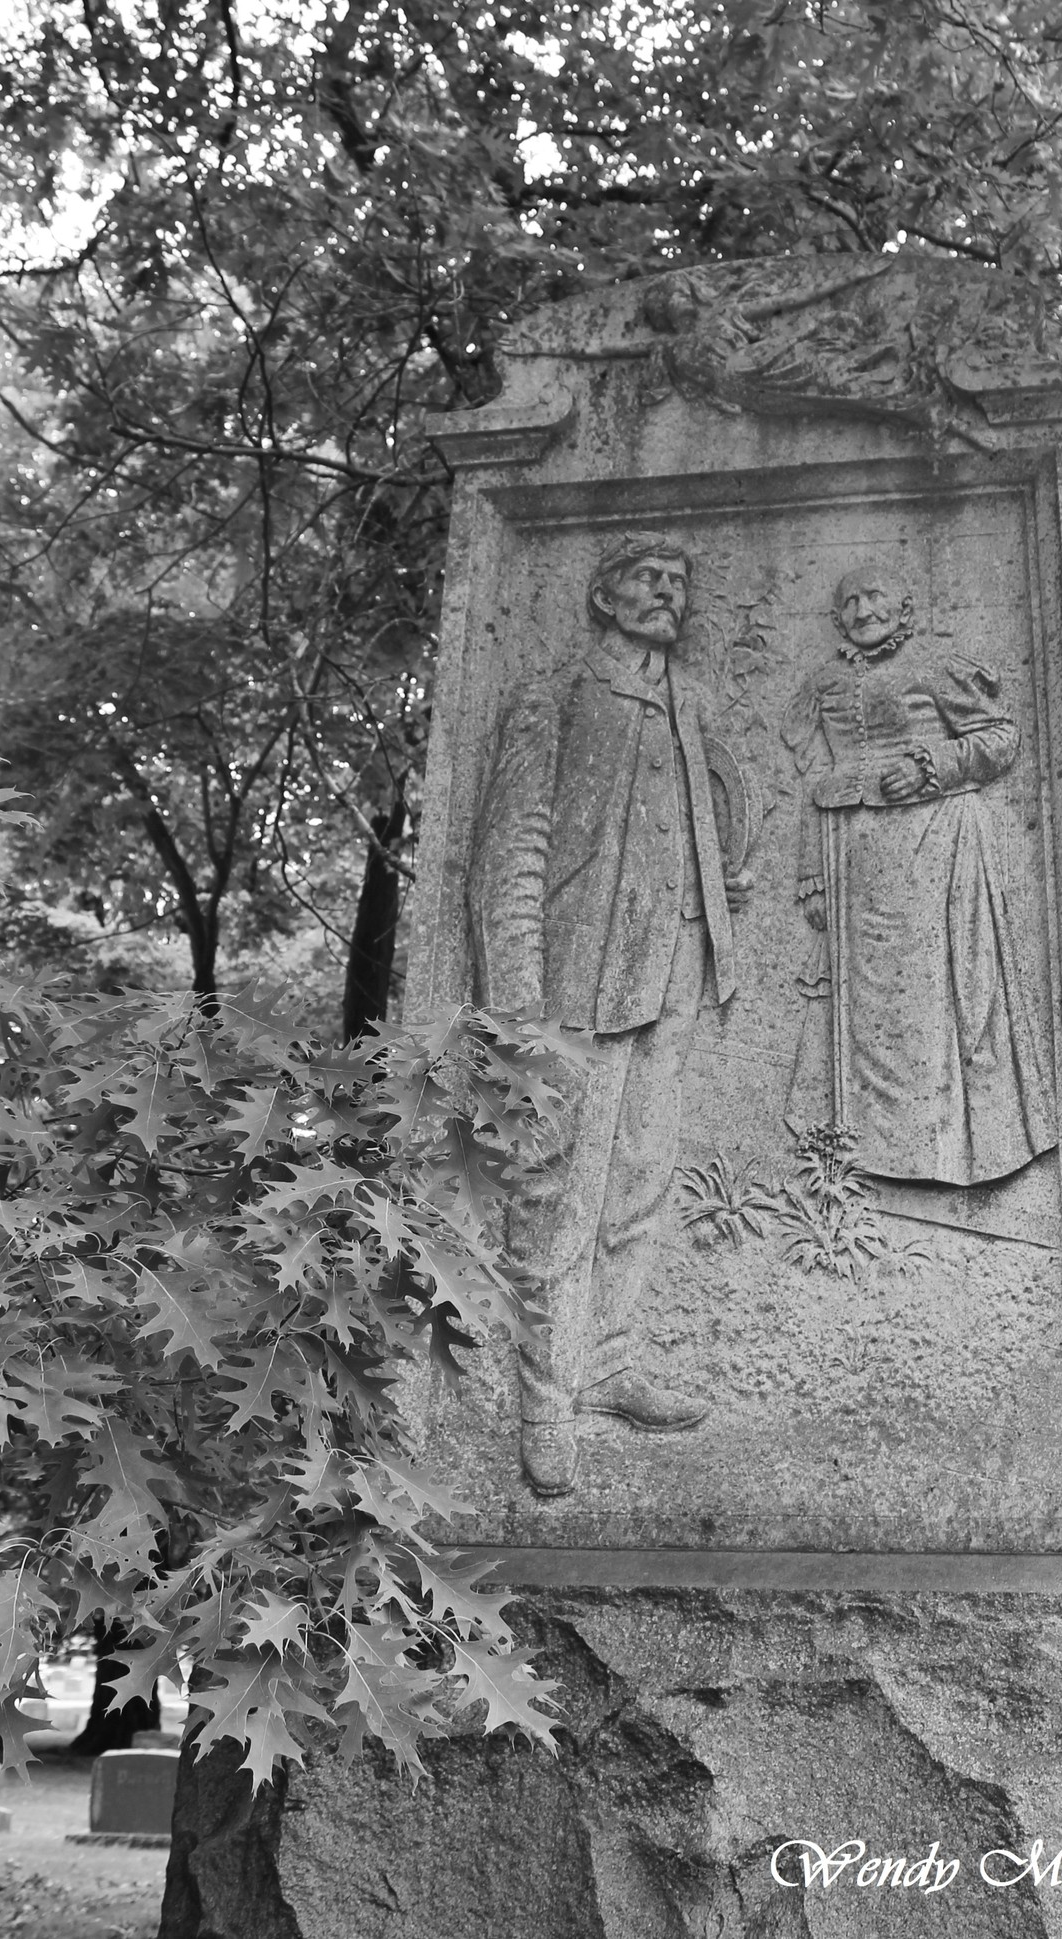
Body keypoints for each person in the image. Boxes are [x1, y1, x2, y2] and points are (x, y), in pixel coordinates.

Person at [469, 532, 752, 1496]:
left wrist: (721, 891)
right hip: (576, 976)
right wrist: (517, 999)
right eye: (648, 578)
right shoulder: (553, 699)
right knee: (555, 1187)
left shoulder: (691, 701)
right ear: (601, 595)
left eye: (680, 581)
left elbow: (723, 801)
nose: (668, 592)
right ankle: (546, 1400)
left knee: (637, 1175)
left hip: (673, 968)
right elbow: (512, 844)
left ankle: (611, 1363)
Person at [781, 563, 1056, 1186]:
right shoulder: (824, 681)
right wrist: (812, 877)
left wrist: (931, 766)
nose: (863, 610)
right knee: (863, 1006)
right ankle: (867, 1157)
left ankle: (939, 1155)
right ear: (836, 618)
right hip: (854, 856)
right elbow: (813, 782)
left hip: (934, 845)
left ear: (903, 606)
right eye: (849, 602)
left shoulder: (937, 666)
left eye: (875, 595)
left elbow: (1000, 738)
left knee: (928, 999)